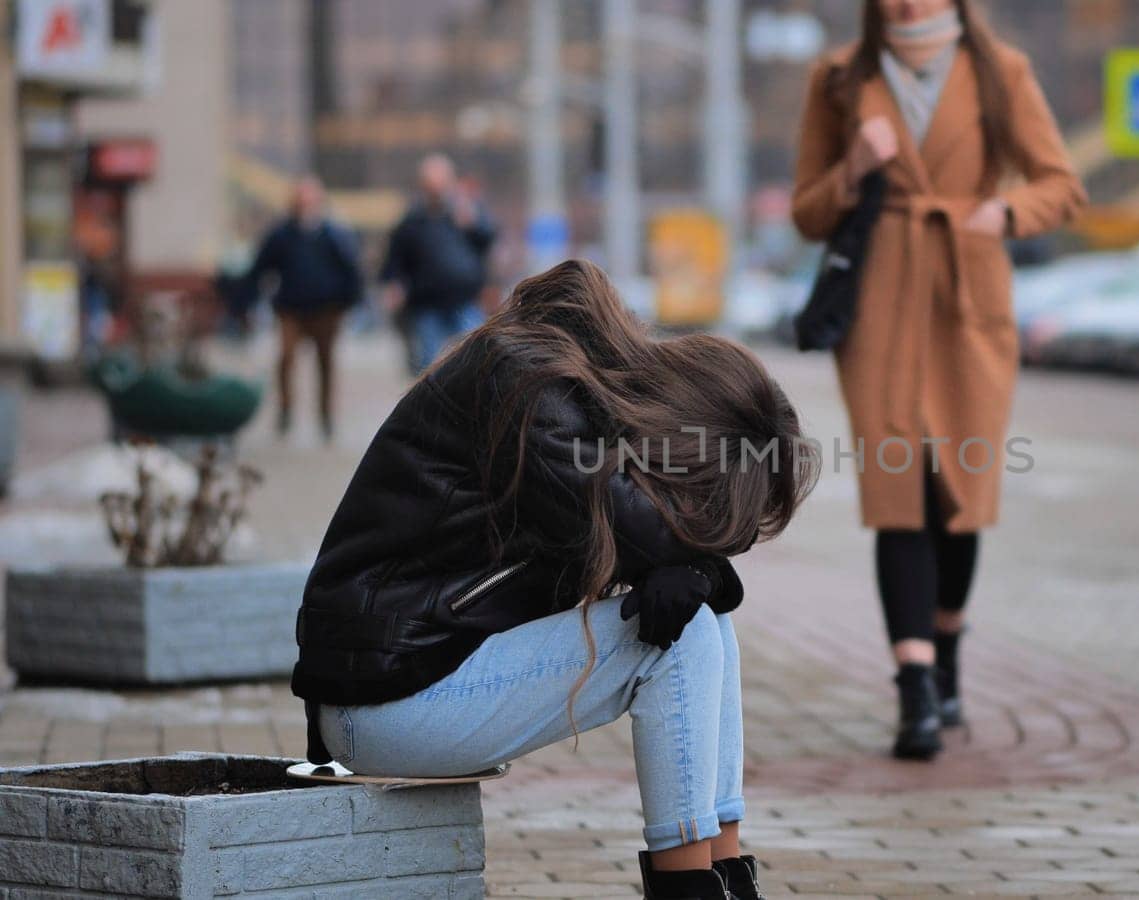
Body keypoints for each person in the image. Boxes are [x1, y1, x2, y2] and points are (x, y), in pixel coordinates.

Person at [292, 260, 818, 900]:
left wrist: (702, 569)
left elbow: (668, 550)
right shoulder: (529, 389)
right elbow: (638, 529)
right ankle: (692, 888)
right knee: (684, 643)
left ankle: (726, 879)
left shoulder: (557, 385)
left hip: (416, 674)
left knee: (707, 624)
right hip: (379, 705)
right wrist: (704, 563)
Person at [791, 0, 1086, 761]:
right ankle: (915, 687)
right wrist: (854, 169)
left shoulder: (999, 71)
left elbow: (1060, 183)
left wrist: (1001, 214)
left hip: (968, 302)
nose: (907, 3)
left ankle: (946, 647)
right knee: (901, 493)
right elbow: (806, 212)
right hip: (880, 308)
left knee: (959, 494)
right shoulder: (838, 78)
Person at [244, 177, 364, 441]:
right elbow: (260, 268)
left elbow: (350, 270)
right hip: (291, 310)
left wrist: (350, 302)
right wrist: (248, 301)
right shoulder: (281, 235)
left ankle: (326, 416)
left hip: (326, 309)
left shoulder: (333, 234)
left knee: (326, 363)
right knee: (286, 358)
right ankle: (286, 409)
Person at [381, 153, 499, 375]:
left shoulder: (466, 213)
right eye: (430, 184)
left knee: (475, 362)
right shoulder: (412, 221)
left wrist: (473, 223)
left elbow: (489, 241)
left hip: (465, 301)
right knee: (428, 367)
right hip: (426, 304)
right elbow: (394, 260)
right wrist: (394, 285)